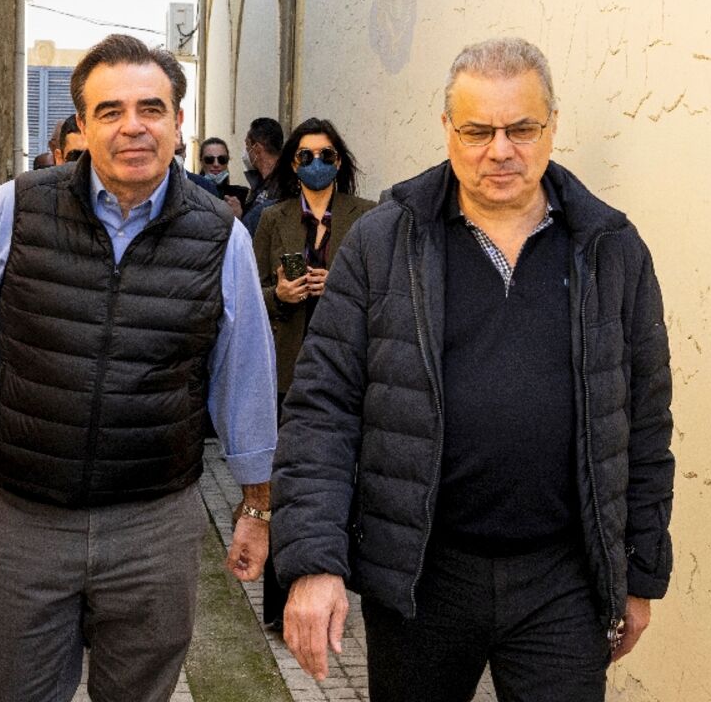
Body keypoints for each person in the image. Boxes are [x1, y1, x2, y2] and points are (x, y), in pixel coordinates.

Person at [271, 37, 676, 702]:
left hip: (563, 580)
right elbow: (322, 410)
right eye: (478, 129)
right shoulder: (383, 245)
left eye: (521, 128)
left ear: (552, 126)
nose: (500, 149)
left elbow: (644, 422)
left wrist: (638, 572)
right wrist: (313, 563)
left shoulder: (612, 251)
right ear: (446, 130)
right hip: (422, 576)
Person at [0, 33, 278, 702]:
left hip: (154, 530)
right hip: (27, 523)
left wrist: (256, 506)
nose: (132, 126)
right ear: (82, 125)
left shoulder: (221, 236)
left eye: (150, 108)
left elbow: (245, 378)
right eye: (110, 111)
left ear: (178, 123)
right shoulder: (15, 210)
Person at [251, 117, 375, 629]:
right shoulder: (272, 218)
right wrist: (279, 296)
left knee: (351, 482)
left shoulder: (369, 218)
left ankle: (340, 593)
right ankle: (282, 604)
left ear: (340, 161)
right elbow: (247, 298)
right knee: (292, 483)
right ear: (291, 164)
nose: (316, 164)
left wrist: (341, 287)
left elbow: (385, 293)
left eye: (326, 154)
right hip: (290, 369)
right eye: (305, 156)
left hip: (352, 370)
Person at [240, 117, 284, 236]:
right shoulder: (260, 183)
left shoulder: (284, 183)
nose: (245, 151)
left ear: (257, 148)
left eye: (247, 145)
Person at [199, 136, 249, 219]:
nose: (216, 164)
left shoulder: (242, 195)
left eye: (222, 159)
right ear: (201, 161)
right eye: (209, 159)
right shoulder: (190, 192)